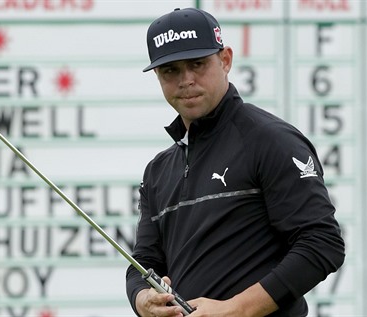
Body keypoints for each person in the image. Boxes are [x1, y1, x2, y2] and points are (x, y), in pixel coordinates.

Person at [125, 7, 345, 317]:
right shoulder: (159, 170)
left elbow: (322, 244)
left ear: (225, 60)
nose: (186, 80)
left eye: (197, 64)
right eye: (170, 70)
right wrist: (142, 299)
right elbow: (143, 263)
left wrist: (235, 310)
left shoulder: (270, 140)